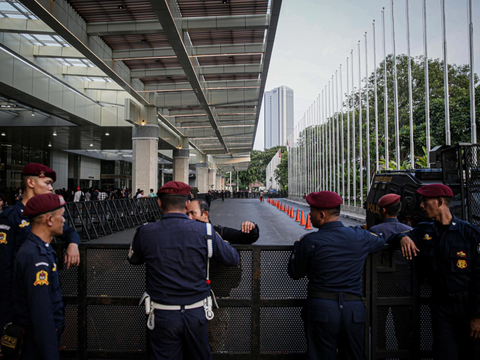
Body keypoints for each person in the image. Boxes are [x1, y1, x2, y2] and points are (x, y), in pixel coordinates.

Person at [127, 181, 239, 360]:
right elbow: (232, 258)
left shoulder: (145, 232)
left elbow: (133, 259)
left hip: (162, 315)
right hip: (196, 313)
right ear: (187, 203)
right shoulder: (206, 231)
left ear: (159, 202)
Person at [288, 191, 385, 360]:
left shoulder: (309, 241)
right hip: (353, 310)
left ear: (322, 215)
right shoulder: (360, 237)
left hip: (321, 309)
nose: (309, 215)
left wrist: (297, 247)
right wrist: (403, 237)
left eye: (311, 211)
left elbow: (295, 273)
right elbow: (382, 240)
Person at [395, 184, 480, 359]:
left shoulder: (470, 234)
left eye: (426, 201)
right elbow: (395, 235)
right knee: (444, 354)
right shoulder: (424, 231)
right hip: (441, 307)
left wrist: (477, 315)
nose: (421, 205)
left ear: (440, 201)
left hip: (468, 306)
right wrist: (403, 237)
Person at [0, 163, 80, 332]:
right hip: (20, 298)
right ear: (31, 183)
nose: (51, 188)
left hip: (43, 290)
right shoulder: (11, 217)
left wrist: (73, 244)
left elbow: (69, 232)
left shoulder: (45, 213)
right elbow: (4, 270)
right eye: (47, 183)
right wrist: (5, 321)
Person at [11, 193, 67, 360]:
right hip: (36, 343)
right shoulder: (37, 258)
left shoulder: (39, 250)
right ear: (49, 220)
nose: (63, 220)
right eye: (61, 216)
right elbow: (41, 314)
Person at [369, 193, 413, 353]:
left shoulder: (374, 231)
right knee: (403, 328)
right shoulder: (409, 231)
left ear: (382, 210)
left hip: (379, 286)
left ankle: (380, 354)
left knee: (378, 327)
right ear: (399, 209)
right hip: (403, 286)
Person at [187, 199, 259, 244]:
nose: (189, 217)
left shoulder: (220, 233)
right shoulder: (187, 236)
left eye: (193, 213)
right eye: (187, 214)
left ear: (205, 214)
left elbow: (246, 238)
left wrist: (251, 228)